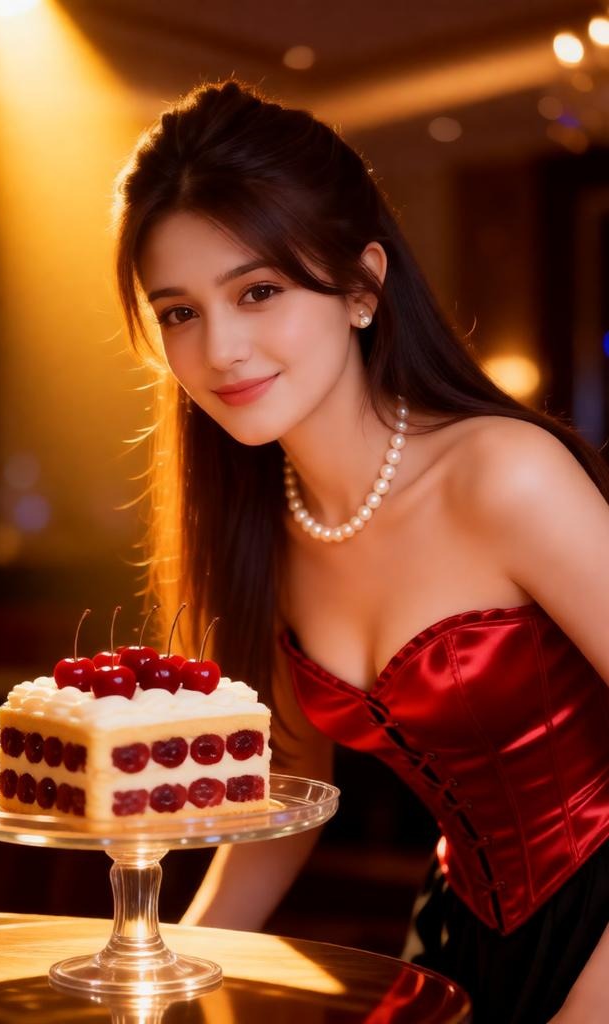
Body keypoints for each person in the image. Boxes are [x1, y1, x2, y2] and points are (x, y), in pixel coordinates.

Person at [112, 79, 609, 1023]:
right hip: (462, 936)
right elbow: (286, 808)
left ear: (362, 285)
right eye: (178, 312)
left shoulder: (504, 476)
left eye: (259, 291)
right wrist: (160, 986)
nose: (220, 349)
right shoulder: (264, 525)